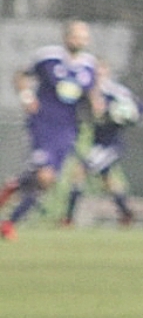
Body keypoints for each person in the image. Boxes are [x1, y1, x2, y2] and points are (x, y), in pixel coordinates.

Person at [0, 20, 99, 241]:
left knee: (45, 179)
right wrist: (27, 97)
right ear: (66, 37)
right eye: (76, 36)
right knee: (45, 177)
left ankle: (13, 188)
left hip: (68, 129)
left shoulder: (89, 65)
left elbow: (92, 93)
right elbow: (20, 76)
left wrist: (96, 106)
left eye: (84, 37)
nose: (80, 41)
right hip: (43, 124)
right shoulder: (48, 57)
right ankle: (8, 224)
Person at [61, 60, 140, 228]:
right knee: (109, 180)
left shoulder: (116, 92)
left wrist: (117, 114)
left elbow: (136, 112)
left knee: (80, 171)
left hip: (110, 145)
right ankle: (126, 213)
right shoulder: (86, 91)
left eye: (101, 73)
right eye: (95, 73)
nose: (98, 77)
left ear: (108, 73)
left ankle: (68, 219)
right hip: (96, 143)